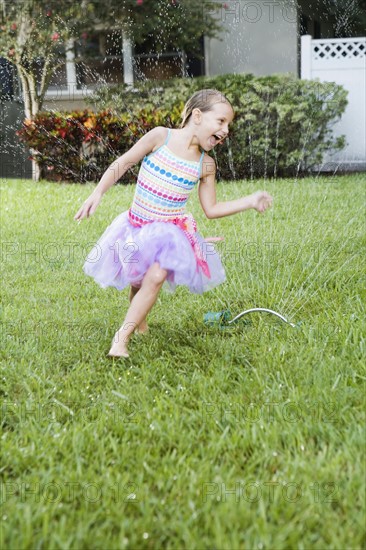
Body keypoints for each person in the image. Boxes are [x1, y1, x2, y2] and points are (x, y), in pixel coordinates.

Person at [74, 89, 273, 357]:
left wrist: (249, 201)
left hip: (169, 235)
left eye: (229, 125)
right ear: (198, 115)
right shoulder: (160, 137)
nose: (226, 130)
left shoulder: (206, 165)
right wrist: (97, 192)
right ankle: (140, 319)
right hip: (135, 226)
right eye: (221, 121)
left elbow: (211, 209)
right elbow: (123, 162)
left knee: (155, 278)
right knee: (137, 281)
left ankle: (121, 339)